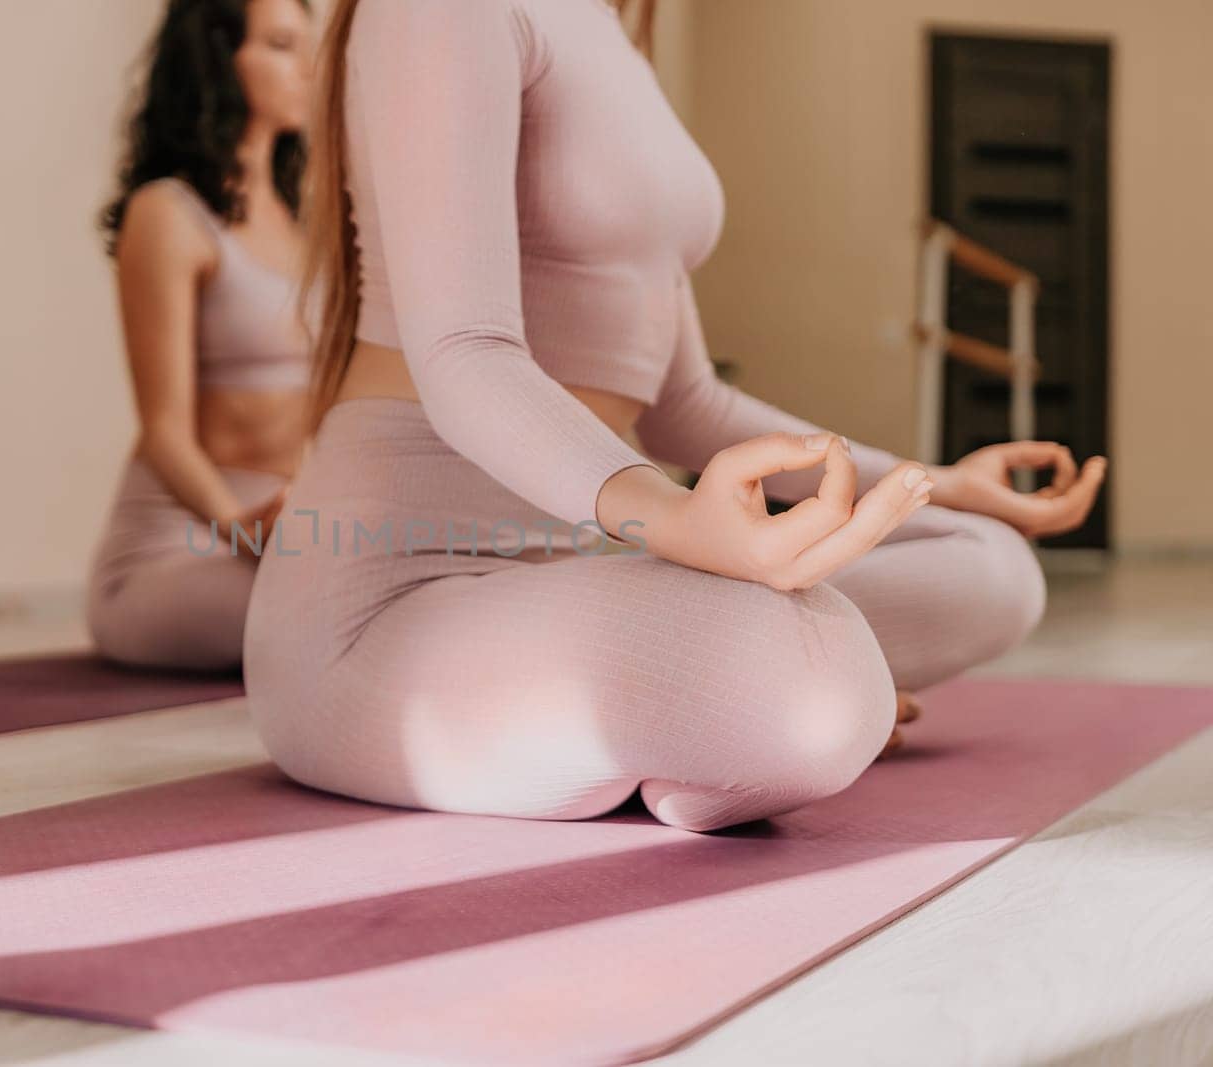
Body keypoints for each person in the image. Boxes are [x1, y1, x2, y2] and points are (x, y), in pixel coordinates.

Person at [241, 0, 1108, 830]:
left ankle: (712, 707)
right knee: (812, 679)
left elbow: (689, 405)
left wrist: (943, 483)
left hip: (575, 565)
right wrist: (670, 516)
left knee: (989, 560)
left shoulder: (607, 32)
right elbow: (465, 351)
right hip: (389, 604)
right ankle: (733, 704)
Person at [86, 0, 321, 671]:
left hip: (281, 541)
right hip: (173, 549)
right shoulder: (167, 213)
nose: (307, 66)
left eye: (308, 45)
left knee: (404, 586)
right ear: (218, 59)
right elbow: (164, 431)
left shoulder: (304, 221)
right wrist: (241, 530)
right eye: (280, 45)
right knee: (344, 609)